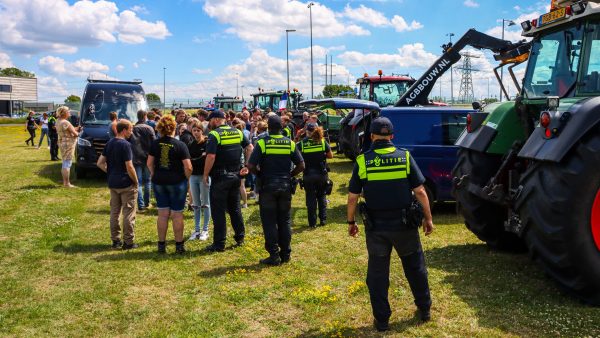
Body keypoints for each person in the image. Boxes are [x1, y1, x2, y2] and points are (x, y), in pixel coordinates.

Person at [346, 117, 434, 331]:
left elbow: (352, 196)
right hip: (405, 226)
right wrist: (428, 218)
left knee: (377, 274)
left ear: (372, 136)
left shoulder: (363, 161)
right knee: (415, 268)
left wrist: (351, 221)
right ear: (392, 136)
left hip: (377, 228)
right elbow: (420, 191)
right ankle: (424, 310)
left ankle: (382, 321)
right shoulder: (404, 157)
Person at [247, 115, 305, 265]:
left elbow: (251, 166)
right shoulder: (290, 143)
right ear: (282, 127)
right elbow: (301, 165)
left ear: (269, 127)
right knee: (285, 220)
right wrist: (289, 175)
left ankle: (274, 255)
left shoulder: (262, 143)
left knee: (269, 221)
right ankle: (286, 254)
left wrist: (260, 175)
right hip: (285, 186)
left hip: (268, 187)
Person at [203, 110, 253, 252]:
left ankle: (219, 243)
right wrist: (246, 165)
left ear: (217, 120)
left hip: (220, 177)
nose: (209, 123)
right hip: (236, 175)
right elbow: (250, 147)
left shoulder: (214, 134)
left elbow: (211, 156)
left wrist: (205, 174)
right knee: (235, 208)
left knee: (218, 211)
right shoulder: (237, 132)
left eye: (210, 120)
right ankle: (240, 237)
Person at [147, 115, 193, 254]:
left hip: (159, 181)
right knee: (177, 214)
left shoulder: (155, 143)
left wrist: (155, 174)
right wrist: (186, 179)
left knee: (162, 214)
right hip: (177, 182)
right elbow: (189, 167)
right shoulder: (180, 145)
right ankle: (179, 245)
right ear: (174, 128)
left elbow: (149, 163)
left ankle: (161, 245)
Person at [96, 119, 139, 250]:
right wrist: (136, 181)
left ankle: (115, 240)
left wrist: (110, 172)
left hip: (113, 183)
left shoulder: (110, 143)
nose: (131, 132)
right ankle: (128, 242)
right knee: (128, 213)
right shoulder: (125, 145)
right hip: (126, 183)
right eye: (130, 129)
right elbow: (129, 166)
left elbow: (100, 163)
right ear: (124, 130)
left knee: (114, 213)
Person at [298, 123, 333, 228]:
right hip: (322, 174)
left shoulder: (302, 144)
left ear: (307, 132)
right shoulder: (322, 141)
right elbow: (330, 156)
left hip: (308, 174)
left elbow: (296, 157)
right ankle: (323, 220)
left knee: (310, 198)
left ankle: (312, 223)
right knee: (322, 196)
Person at [186, 119, 211, 241]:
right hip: (193, 176)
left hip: (204, 175)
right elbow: (189, 161)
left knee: (205, 204)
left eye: (198, 130)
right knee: (196, 205)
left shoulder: (207, 143)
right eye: (194, 130)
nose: (196, 133)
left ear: (202, 131)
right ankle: (196, 230)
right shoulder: (191, 145)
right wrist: (199, 158)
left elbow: (205, 160)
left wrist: (196, 159)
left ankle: (205, 230)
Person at [131, 110, 156, 211]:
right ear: (145, 116)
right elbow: (154, 143)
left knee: (138, 182)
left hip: (136, 158)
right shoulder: (149, 128)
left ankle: (140, 205)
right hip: (148, 158)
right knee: (147, 181)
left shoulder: (134, 128)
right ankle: (146, 203)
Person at [56, 106, 80, 188]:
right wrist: (79, 133)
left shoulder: (58, 121)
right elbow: (75, 133)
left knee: (64, 162)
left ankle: (65, 181)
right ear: (64, 113)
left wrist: (76, 128)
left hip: (62, 142)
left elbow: (69, 129)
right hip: (68, 144)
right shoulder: (66, 122)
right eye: (68, 111)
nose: (69, 112)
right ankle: (67, 183)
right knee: (67, 163)